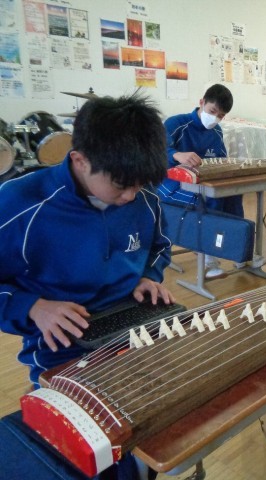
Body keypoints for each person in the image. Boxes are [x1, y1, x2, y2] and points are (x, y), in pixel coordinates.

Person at [0, 93, 175, 389]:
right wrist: (31, 306)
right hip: (62, 342)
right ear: (80, 160)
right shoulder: (20, 203)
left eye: (140, 184)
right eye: (121, 185)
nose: (131, 195)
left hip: (132, 320)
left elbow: (160, 247)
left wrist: (148, 276)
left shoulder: (144, 198)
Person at [158, 84, 242, 277]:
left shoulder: (216, 131)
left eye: (221, 116)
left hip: (201, 183)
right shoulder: (176, 124)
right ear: (202, 102)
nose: (215, 118)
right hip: (169, 184)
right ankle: (208, 258)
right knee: (209, 199)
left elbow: (221, 160)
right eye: (212, 111)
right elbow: (156, 152)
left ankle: (236, 249)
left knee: (233, 196)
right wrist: (177, 155)